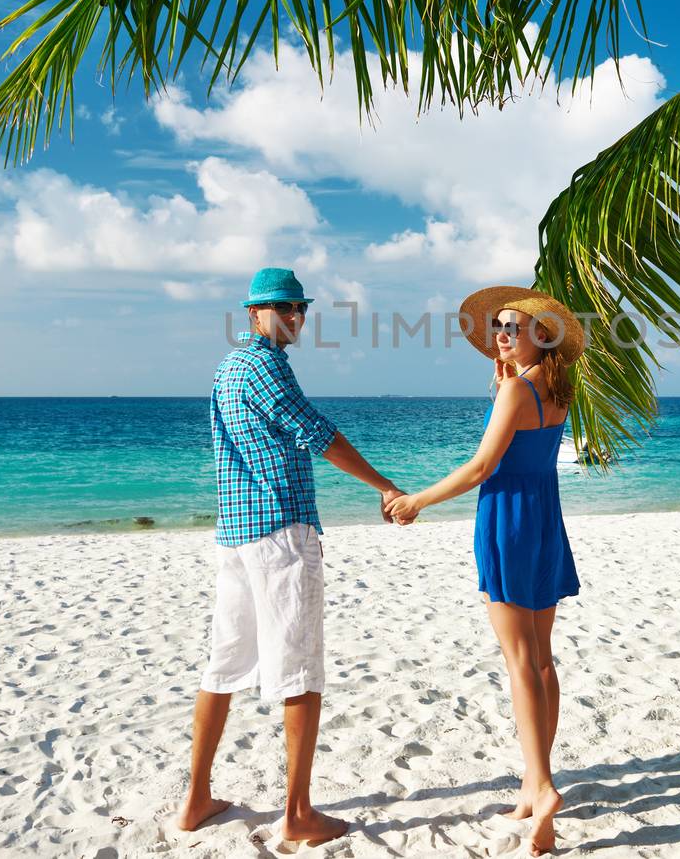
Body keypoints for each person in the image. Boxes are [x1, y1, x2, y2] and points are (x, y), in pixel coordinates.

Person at [178, 267, 404, 845]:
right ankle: (298, 814)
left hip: (236, 534)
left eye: (299, 308)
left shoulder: (227, 369)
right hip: (279, 533)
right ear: (253, 312)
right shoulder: (264, 364)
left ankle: (196, 798)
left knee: (223, 665)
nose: (294, 317)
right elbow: (318, 434)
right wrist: (385, 486)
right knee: (299, 669)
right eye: (282, 307)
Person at [385, 285, 583, 856]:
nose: (500, 333)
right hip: (544, 518)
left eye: (511, 327)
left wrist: (416, 500)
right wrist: (505, 381)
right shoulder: (556, 387)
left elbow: (480, 467)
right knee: (542, 660)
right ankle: (531, 783)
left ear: (539, 336)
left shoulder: (516, 391)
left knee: (521, 662)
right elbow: (526, 444)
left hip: (508, 521)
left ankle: (542, 787)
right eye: (496, 325)